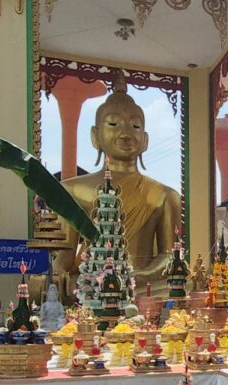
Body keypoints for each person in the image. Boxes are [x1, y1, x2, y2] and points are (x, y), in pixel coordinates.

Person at [54, 75, 183, 297]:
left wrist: (142, 275)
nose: (125, 134)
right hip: (92, 279)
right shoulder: (72, 191)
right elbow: (65, 254)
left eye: (135, 126)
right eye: (113, 124)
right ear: (95, 136)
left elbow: (170, 254)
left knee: (182, 284)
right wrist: (58, 270)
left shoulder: (165, 195)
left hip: (141, 281)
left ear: (145, 140)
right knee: (65, 287)